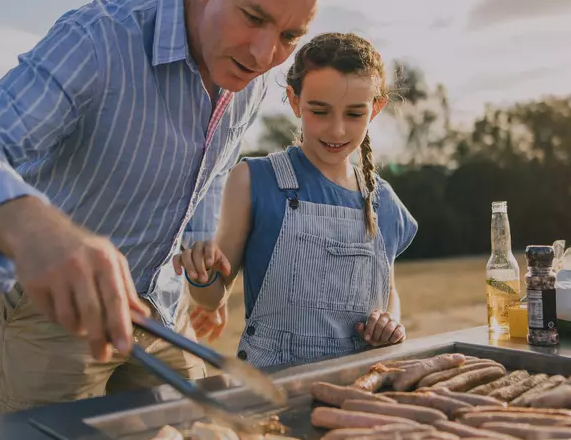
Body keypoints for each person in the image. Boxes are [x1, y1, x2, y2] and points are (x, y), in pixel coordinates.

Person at [0, 0, 333, 414]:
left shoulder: (253, 78)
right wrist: (32, 230)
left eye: (288, 35)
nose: (264, 54)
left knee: (203, 436)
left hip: (162, 307)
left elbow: (214, 167)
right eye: (252, 16)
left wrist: (202, 246)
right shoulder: (98, 39)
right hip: (56, 313)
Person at [172, 33, 418, 368]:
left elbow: (388, 293)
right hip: (274, 386)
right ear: (293, 100)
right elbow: (213, 296)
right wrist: (200, 277)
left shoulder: (383, 201)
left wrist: (390, 321)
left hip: (361, 386)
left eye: (354, 114)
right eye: (320, 111)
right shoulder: (252, 180)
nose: (336, 130)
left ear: (375, 108)